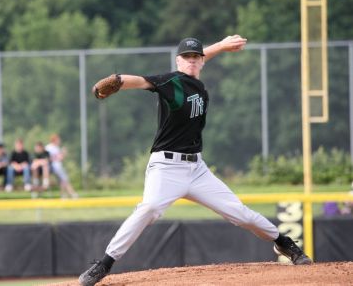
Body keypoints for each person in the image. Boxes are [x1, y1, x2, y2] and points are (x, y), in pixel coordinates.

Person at [78, 36, 312, 286]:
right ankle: (104, 264)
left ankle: (284, 244)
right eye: (186, 57)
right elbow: (142, 81)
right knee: (148, 209)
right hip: (166, 167)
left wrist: (220, 47)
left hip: (197, 170)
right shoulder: (171, 81)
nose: (191, 60)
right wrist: (119, 81)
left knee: (241, 214)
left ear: (201, 61)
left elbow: (199, 58)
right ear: (177, 60)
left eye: (195, 57)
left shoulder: (196, 81)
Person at [45, 134, 78, 199]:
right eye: (58, 140)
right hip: (53, 166)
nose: (59, 141)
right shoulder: (49, 147)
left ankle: (64, 195)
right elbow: (48, 158)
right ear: (54, 140)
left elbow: (60, 158)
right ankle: (72, 194)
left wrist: (63, 154)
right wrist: (59, 155)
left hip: (58, 166)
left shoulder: (57, 148)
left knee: (63, 180)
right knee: (64, 179)